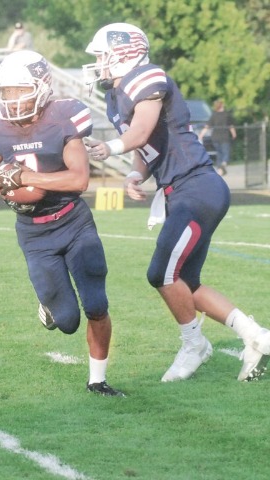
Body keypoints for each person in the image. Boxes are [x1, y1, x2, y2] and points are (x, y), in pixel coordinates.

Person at [82, 23, 270, 382]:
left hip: (196, 186)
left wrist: (109, 149)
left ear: (124, 54)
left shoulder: (148, 78)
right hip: (179, 189)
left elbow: (139, 131)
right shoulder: (115, 95)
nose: (97, 64)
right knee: (186, 282)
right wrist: (136, 174)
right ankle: (256, 336)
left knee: (162, 273)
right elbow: (144, 143)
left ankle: (194, 344)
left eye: (101, 56)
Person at [0, 50, 124, 397]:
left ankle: (97, 380)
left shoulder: (63, 118)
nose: (11, 99)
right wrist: (7, 194)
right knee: (68, 322)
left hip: (74, 223)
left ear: (42, 86)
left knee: (97, 304)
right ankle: (50, 304)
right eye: (6, 91)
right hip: (34, 232)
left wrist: (27, 176)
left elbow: (79, 179)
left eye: (19, 90)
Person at [198, 99, 237, 176]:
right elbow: (231, 126)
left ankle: (219, 171)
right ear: (222, 105)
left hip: (215, 137)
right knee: (226, 153)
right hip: (224, 137)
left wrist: (201, 135)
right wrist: (234, 134)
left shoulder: (214, 115)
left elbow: (207, 126)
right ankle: (224, 164)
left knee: (219, 154)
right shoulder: (227, 115)